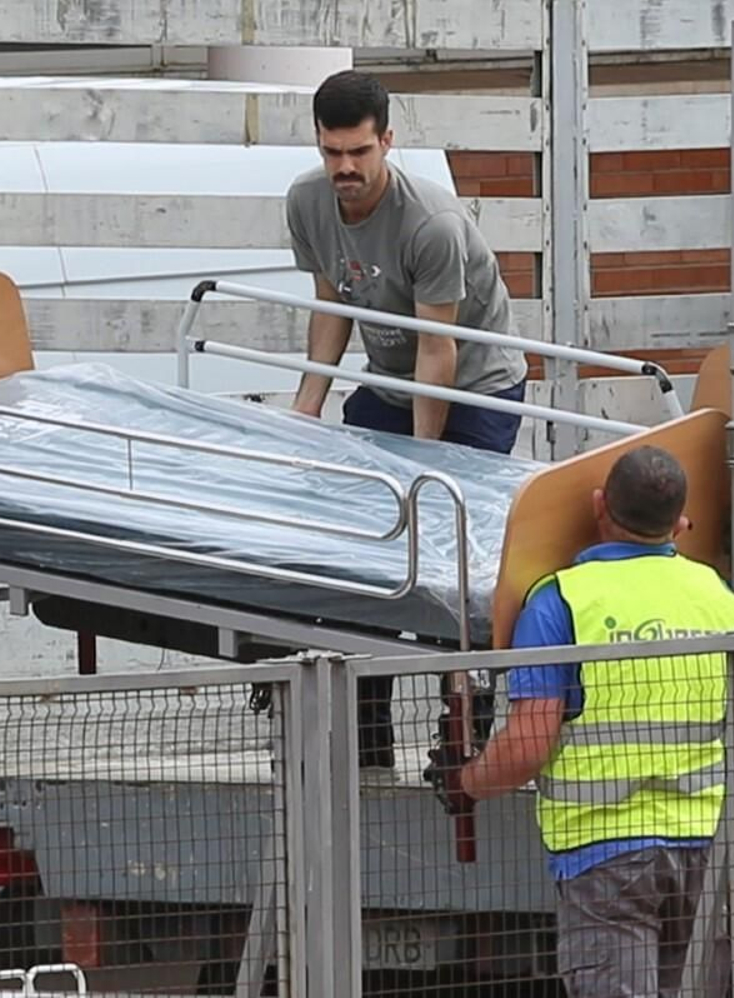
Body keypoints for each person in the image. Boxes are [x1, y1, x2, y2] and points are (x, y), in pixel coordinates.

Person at [427, 445, 734, 997]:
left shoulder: (561, 602)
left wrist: (465, 783)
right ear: (681, 521)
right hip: (708, 847)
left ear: (600, 505)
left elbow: (529, 743)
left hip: (607, 856)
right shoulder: (718, 597)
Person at [285, 69, 529, 767]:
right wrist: (308, 406)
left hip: (474, 386)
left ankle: (467, 731)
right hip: (389, 381)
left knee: (456, 553)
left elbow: (438, 348)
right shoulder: (307, 201)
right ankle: (370, 734)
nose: (346, 169)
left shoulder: (433, 224)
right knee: (372, 544)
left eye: (359, 153)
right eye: (333, 153)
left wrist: (428, 458)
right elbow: (333, 306)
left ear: (387, 141)